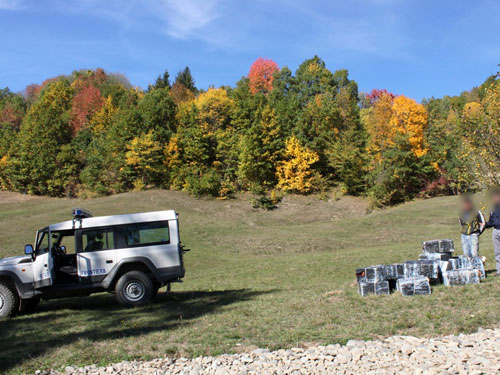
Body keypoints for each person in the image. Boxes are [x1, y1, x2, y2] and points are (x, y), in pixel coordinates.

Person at [486, 190, 500, 276]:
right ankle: (499, 270)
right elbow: (491, 222)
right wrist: (484, 225)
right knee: (498, 252)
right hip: (495, 231)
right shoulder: (493, 209)